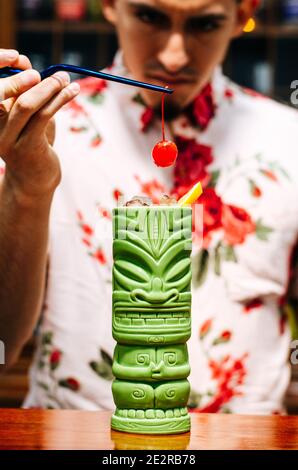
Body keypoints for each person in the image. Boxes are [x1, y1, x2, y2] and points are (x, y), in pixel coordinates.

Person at [0, 0, 297, 414]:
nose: (174, 56)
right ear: (109, 5)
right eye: (149, 16)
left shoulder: (288, 138)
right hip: (75, 435)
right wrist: (28, 185)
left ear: (244, 13)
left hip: (246, 440)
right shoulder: (38, 133)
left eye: (205, 23)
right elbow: (3, 349)